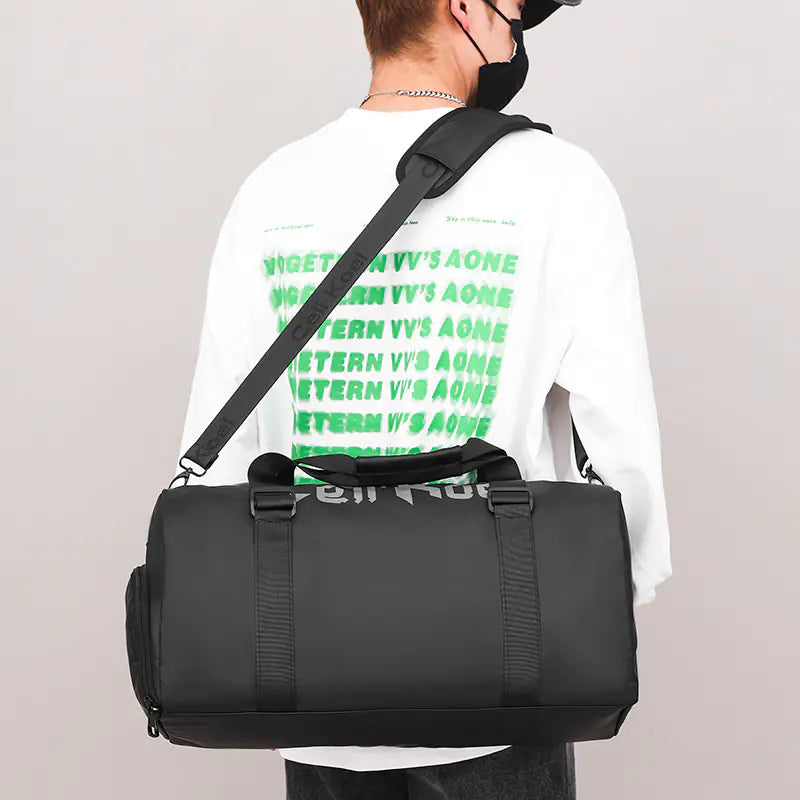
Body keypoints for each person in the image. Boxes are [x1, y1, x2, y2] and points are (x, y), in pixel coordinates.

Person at [175, 0, 673, 796]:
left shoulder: (272, 188)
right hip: (500, 677)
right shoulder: (559, 182)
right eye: (515, 11)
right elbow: (619, 432)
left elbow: (223, 444)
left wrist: (251, 639)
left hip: (318, 680)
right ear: (463, 6)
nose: (517, 31)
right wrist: (600, 609)